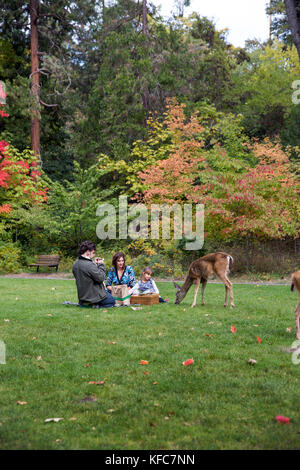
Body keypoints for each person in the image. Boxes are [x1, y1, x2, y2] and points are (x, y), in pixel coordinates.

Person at [72, 241, 115, 308]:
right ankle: (94, 306)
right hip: (93, 297)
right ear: (88, 252)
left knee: (108, 294)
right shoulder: (89, 265)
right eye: (93, 253)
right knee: (111, 301)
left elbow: (87, 275)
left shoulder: (75, 264)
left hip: (82, 297)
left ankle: (85, 304)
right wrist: (101, 264)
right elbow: (101, 278)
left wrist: (94, 264)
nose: (94, 255)